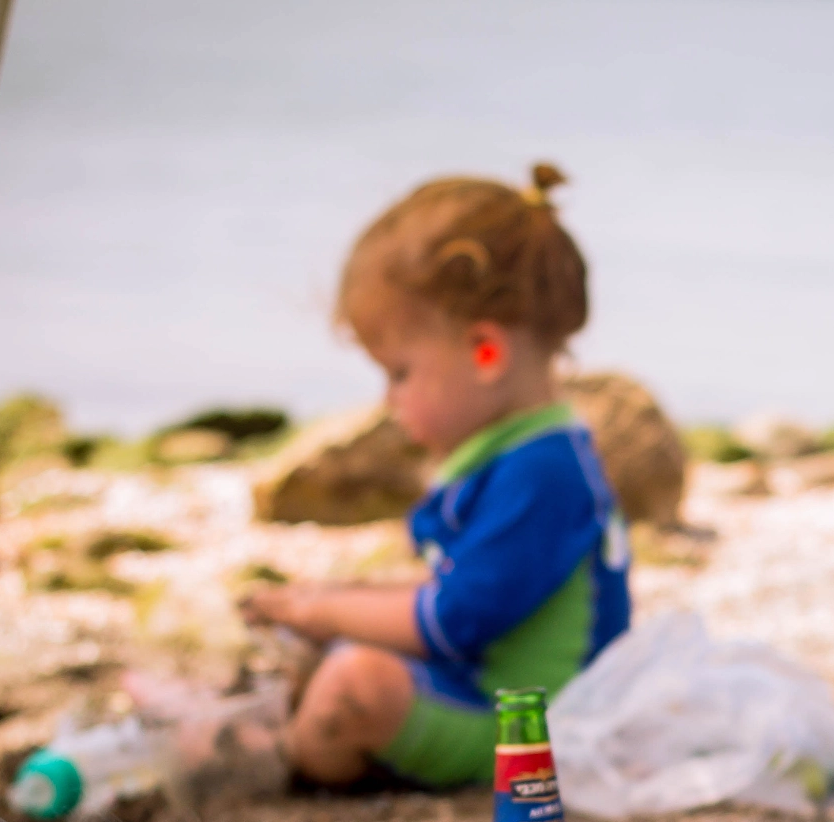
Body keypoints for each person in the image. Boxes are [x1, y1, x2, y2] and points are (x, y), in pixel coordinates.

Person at [241, 164, 630, 787]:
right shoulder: (520, 450)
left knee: (352, 684)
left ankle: (277, 761)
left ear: (485, 352)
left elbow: (453, 620)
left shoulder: (542, 473)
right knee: (326, 640)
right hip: (482, 688)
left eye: (399, 373)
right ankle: (271, 725)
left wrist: (329, 610)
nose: (387, 401)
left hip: (527, 731)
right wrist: (329, 602)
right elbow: (464, 590)